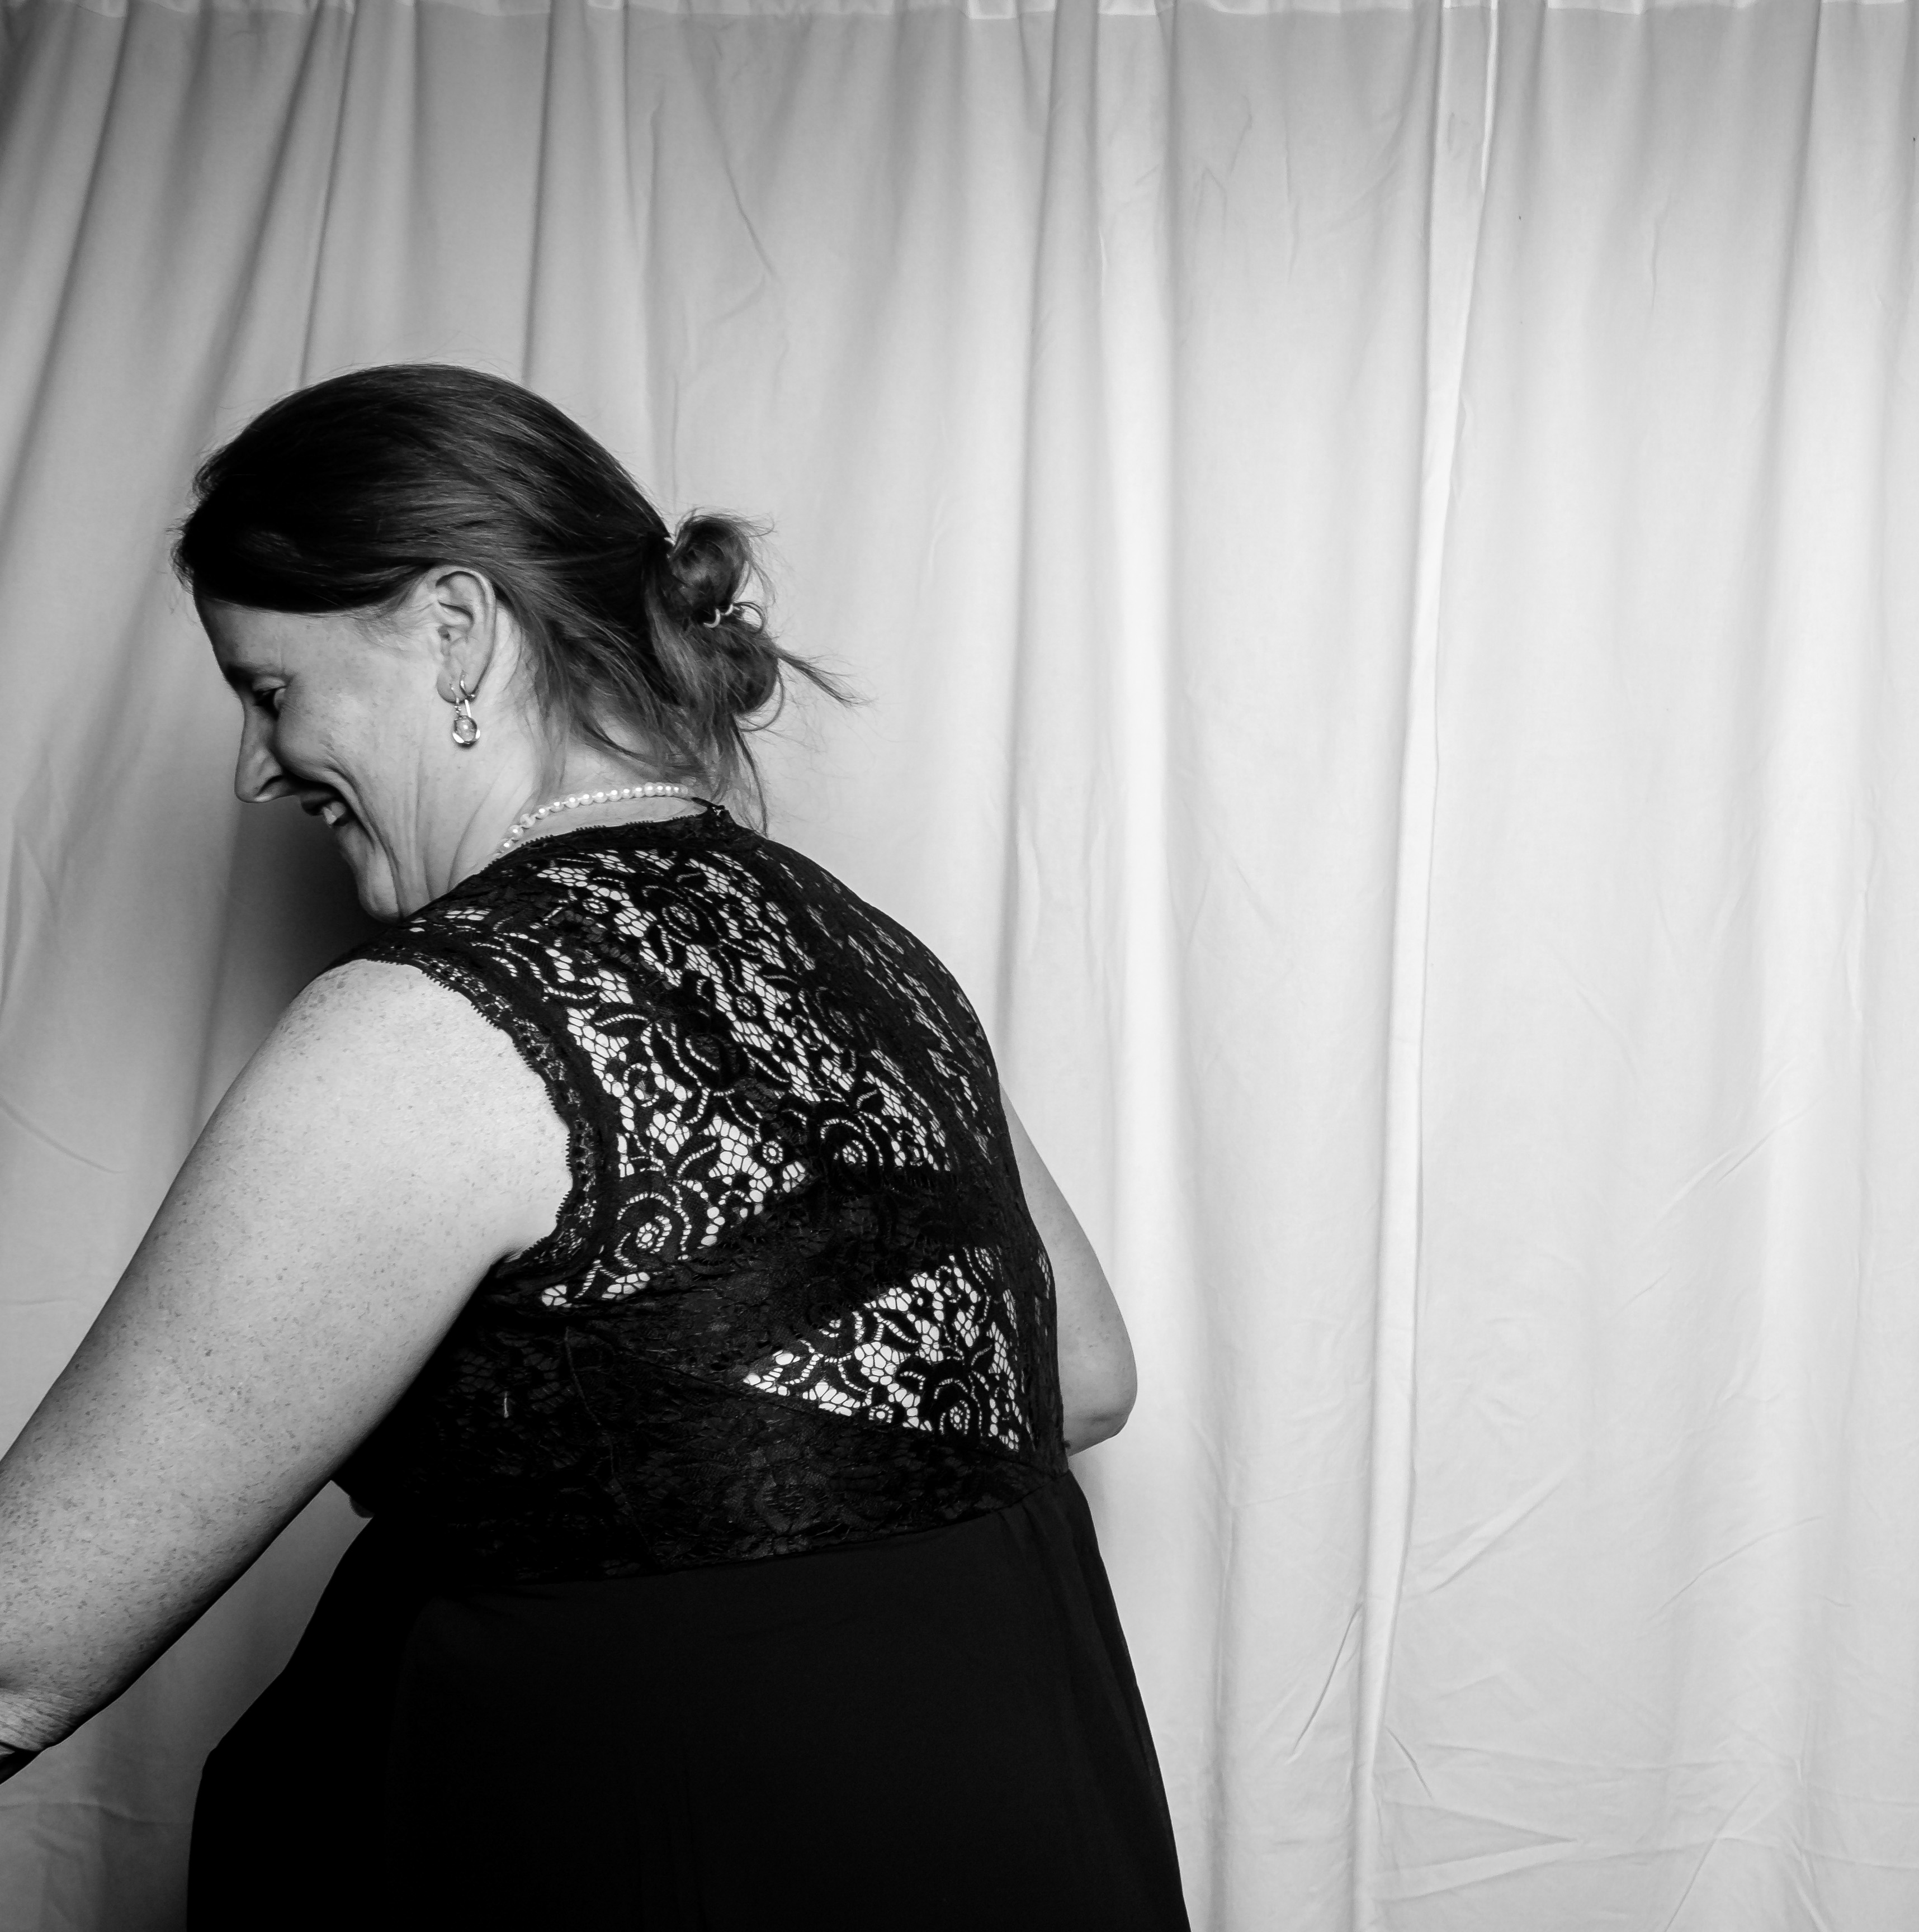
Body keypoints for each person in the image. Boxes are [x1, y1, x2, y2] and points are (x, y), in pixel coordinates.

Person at [0, 364, 1189, 1927]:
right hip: (1011, 1815)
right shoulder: (867, 950)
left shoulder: (430, 1024)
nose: (253, 763)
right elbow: (1084, 1375)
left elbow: (22, 1647)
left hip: (653, 1842)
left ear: (456, 629)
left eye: (269, 689)